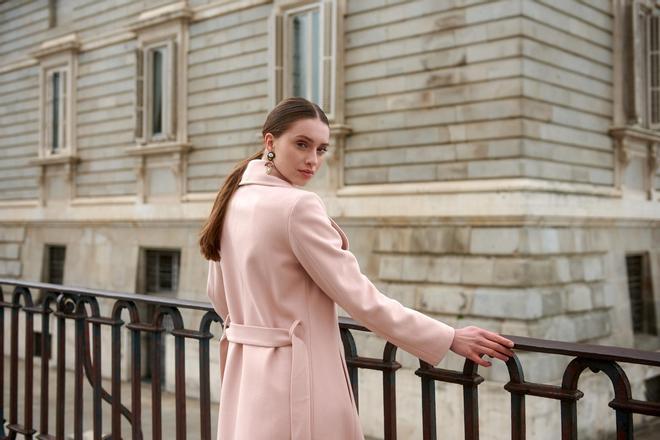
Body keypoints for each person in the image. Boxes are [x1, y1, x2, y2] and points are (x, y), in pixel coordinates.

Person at [199, 97, 514, 440]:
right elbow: (359, 297)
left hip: (245, 377)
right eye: (302, 144)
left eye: (321, 149)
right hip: (297, 379)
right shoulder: (298, 206)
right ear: (270, 142)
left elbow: (219, 297)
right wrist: (447, 337)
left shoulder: (232, 200)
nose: (312, 160)